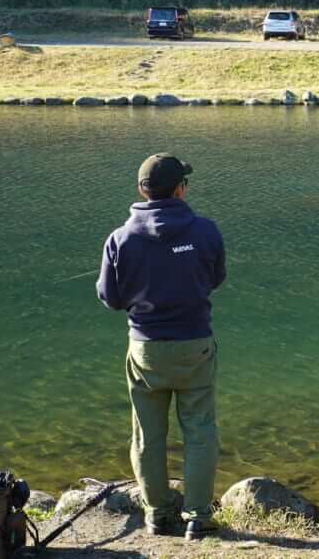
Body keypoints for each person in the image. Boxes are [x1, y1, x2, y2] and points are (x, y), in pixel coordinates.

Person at [97, 153, 227, 541]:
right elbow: (216, 278)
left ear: (141, 190)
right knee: (200, 430)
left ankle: (156, 515)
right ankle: (198, 517)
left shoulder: (119, 239)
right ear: (180, 189)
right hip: (195, 346)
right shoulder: (206, 231)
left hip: (146, 350)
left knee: (146, 435)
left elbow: (110, 298)